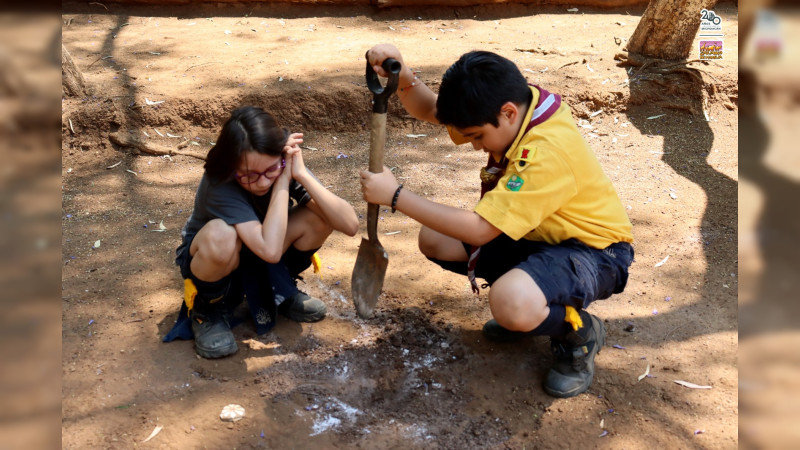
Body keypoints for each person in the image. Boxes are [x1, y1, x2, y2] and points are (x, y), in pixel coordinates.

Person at [361, 44, 634, 398]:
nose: (475, 147)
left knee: (510, 303)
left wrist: (396, 196)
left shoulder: (546, 152)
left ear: (506, 113)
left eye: (477, 136)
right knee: (435, 238)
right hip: (542, 237)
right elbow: (432, 110)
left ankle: (577, 331)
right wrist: (405, 79)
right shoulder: (517, 105)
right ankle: (529, 306)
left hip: (595, 253)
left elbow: (481, 229)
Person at [164, 106, 359, 358]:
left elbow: (350, 224)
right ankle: (208, 310)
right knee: (221, 234)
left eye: (270, 171)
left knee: (319, 215)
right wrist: (281, 181)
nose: (263, 182)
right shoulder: (219, 181)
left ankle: (280, 288)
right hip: (217, 261)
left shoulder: (281, 162)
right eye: (250, 176)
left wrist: (299, 174)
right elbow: (270, 250)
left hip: (263, 251)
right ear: (231, 165)